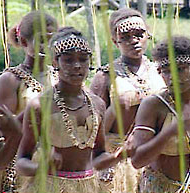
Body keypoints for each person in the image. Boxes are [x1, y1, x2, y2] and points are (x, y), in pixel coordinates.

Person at [15, 27, 124, 193]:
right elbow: (22, 161)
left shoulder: (97, 104)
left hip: (89, 186)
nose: (77, 66)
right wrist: (42, 167)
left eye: (83, 59)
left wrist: (119, 156)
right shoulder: (40, 105)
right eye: (68, 60)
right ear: (55, 62)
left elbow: (99, 154)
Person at [126, 35, 190, 193]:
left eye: (181, 69)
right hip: (163, 188)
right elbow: (137, 161)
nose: (173, 77)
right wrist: (169, 132)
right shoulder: (153, 106)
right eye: (167, 71)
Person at [90, 8, 165, 192]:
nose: (134, 41)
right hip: (119, 160)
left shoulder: (161, 71)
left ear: (148, 35)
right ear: (115, 41)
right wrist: (116, 109)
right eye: (126, 36)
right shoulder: (105, 76)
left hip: (157, 157)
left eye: (139, 34)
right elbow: (92, 129)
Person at [0, 11, 58, 192]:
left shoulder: (60, 76)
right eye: (42, 40)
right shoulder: (10, 80)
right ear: (24, 42)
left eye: (52, 40)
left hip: (56, 164)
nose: (47, 46)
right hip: (19, 167)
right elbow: (2, 134)